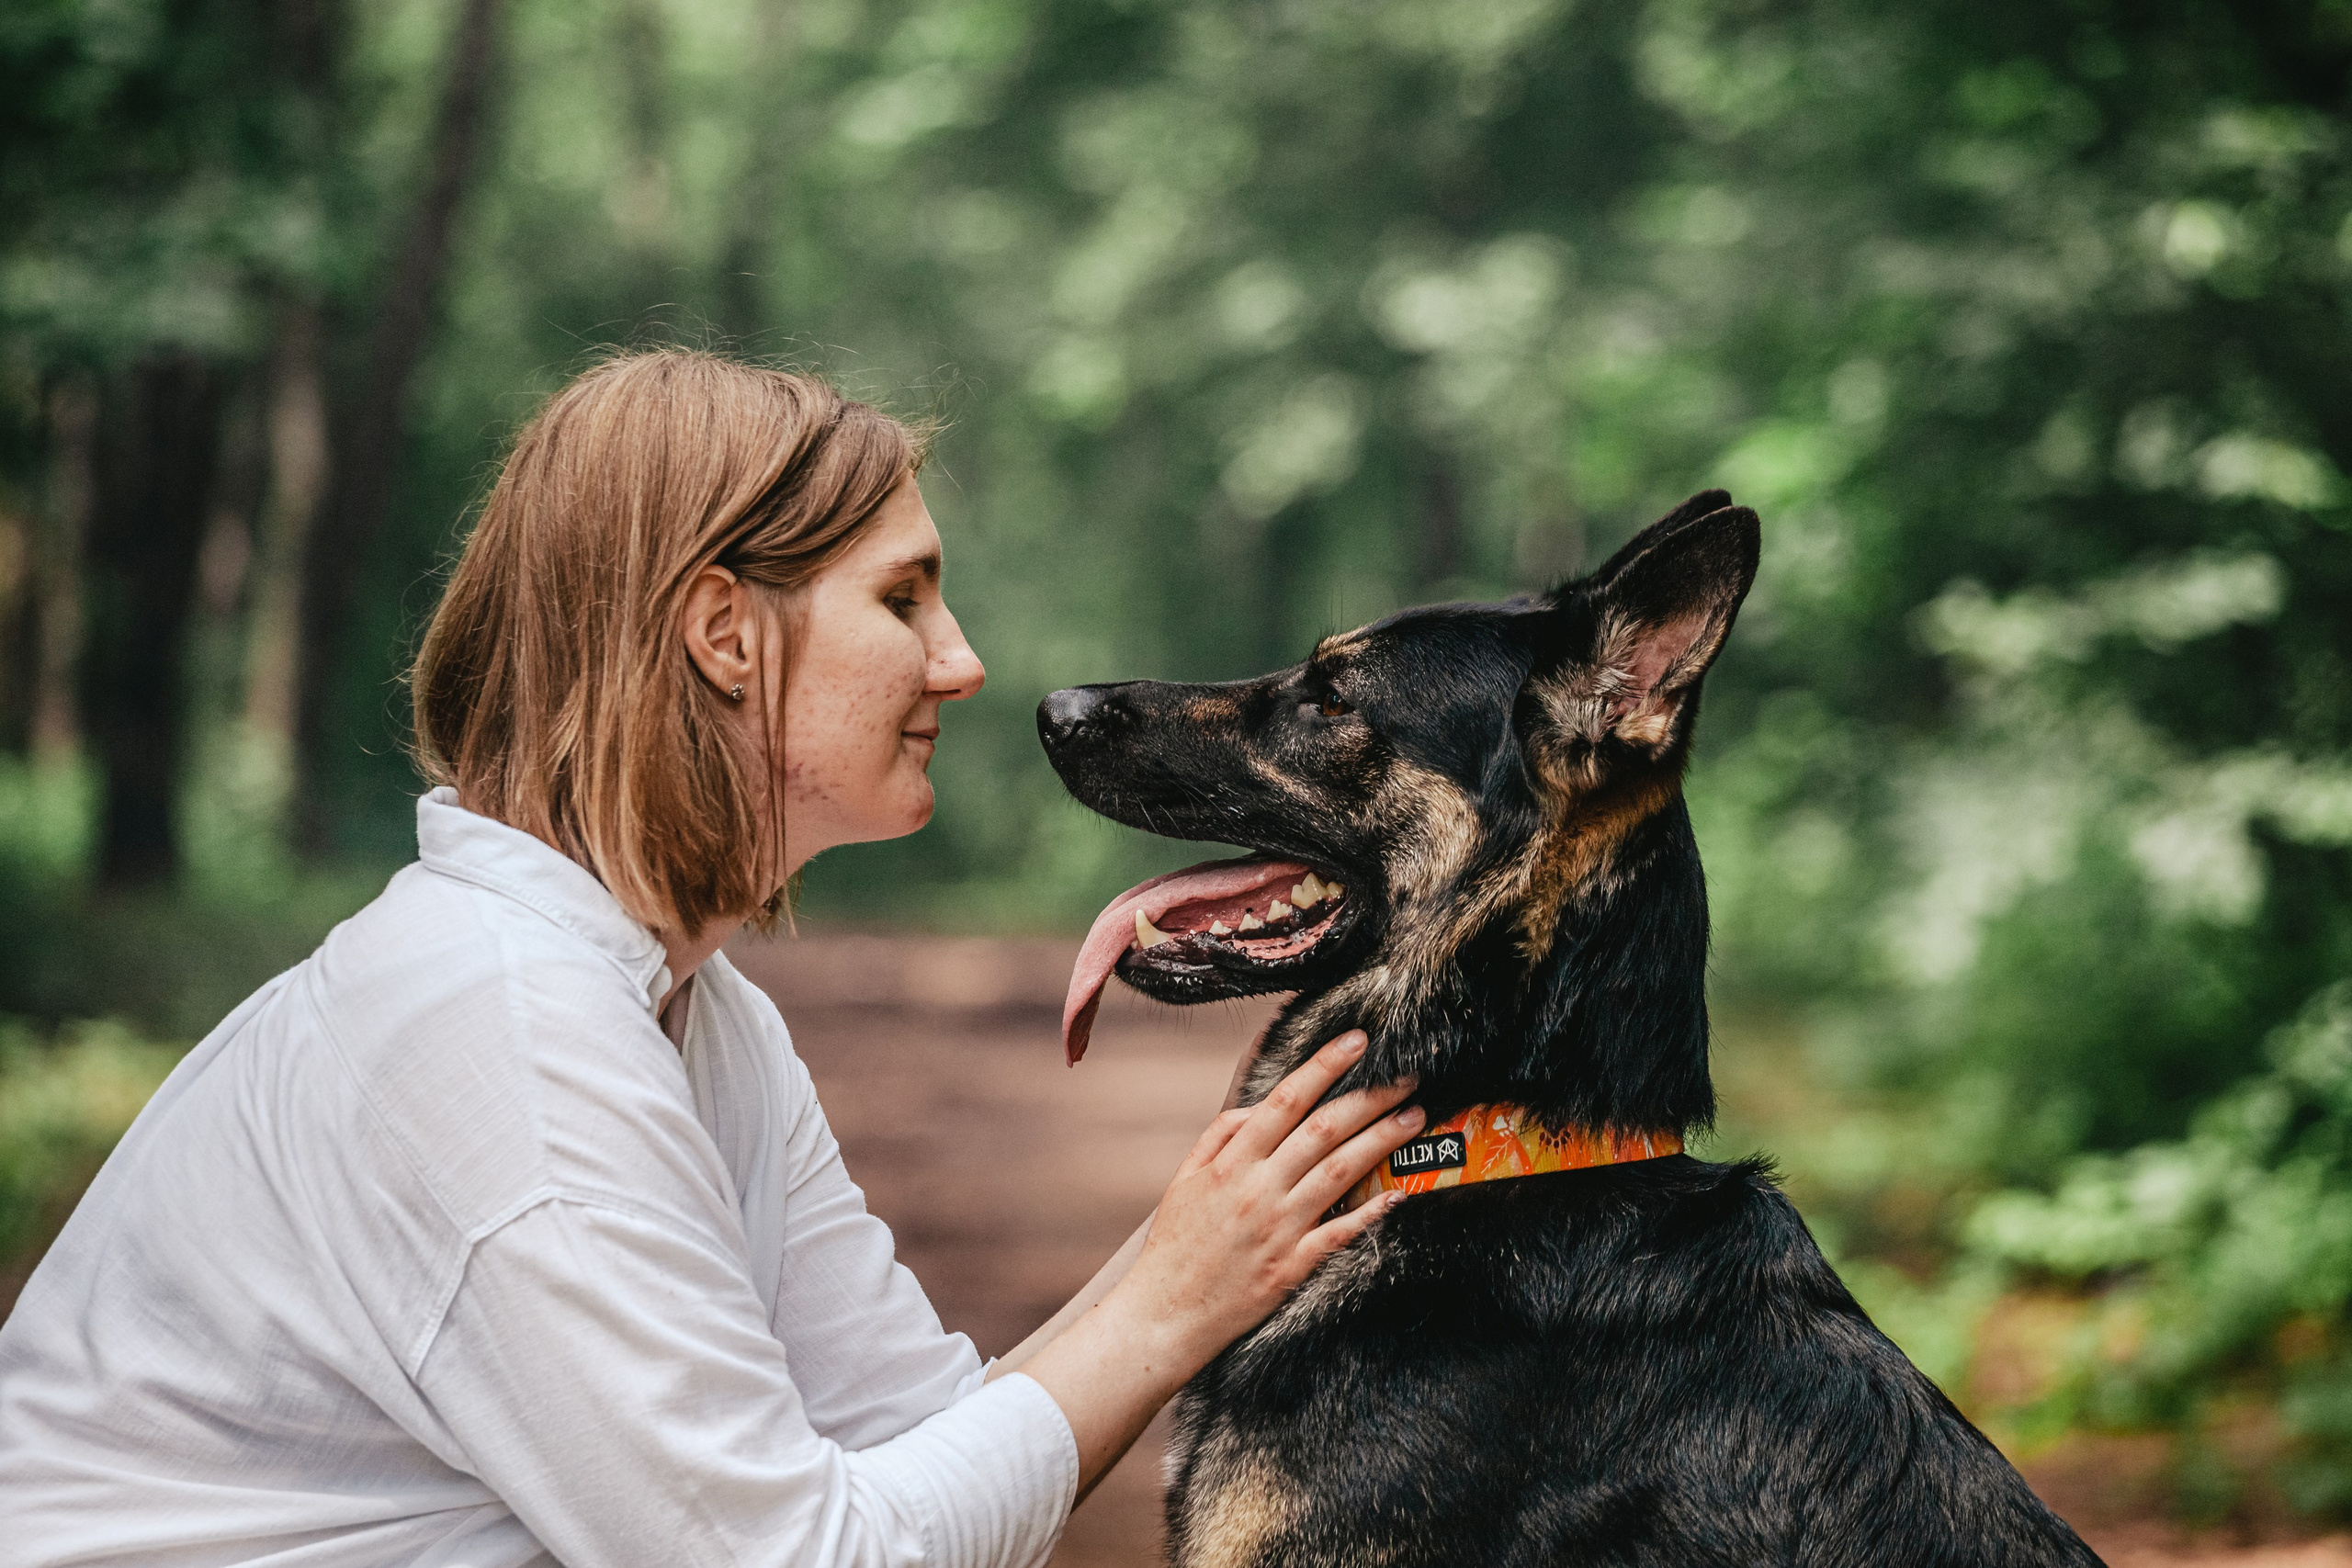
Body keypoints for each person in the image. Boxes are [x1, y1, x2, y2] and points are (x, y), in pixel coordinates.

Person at [0, 351, 1425, 1567]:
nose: (963, 661)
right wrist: (1180, 1287)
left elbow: (934, 1447)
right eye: (904, 599)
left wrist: (1190, 1247)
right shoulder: (499, 1034)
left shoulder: (692, 1017)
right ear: (723, 634)